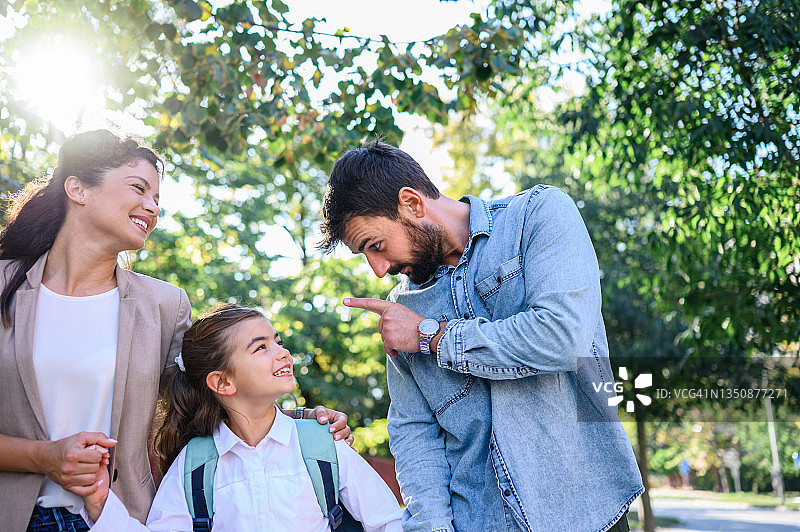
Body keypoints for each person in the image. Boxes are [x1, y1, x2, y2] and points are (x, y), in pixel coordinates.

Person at [0, 130, 351, 532]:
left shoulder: (164, 305)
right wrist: (42, 457)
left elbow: (210, 397)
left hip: (117, 519)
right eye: (139, 188)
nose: (151, 207)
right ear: (78, 189)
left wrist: (303, 422)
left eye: (157, 200)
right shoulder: (4, 287)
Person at [320, 140, 645, 532]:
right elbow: (414, 433)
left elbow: (564, 336)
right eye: (365, 255)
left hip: (585, 512)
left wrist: (431, 336)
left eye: (376, 246)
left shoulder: (538, 214)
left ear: (412, 203)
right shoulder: (401, 308)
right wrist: (432, 527)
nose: (377, 268)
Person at [79, 303, 403, 532]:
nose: (283, 352)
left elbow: (388, 522)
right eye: (260, 347)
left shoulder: (322, 443)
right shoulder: (195, 464)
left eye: (278, 341)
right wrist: (100, 505)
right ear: (222, 382)